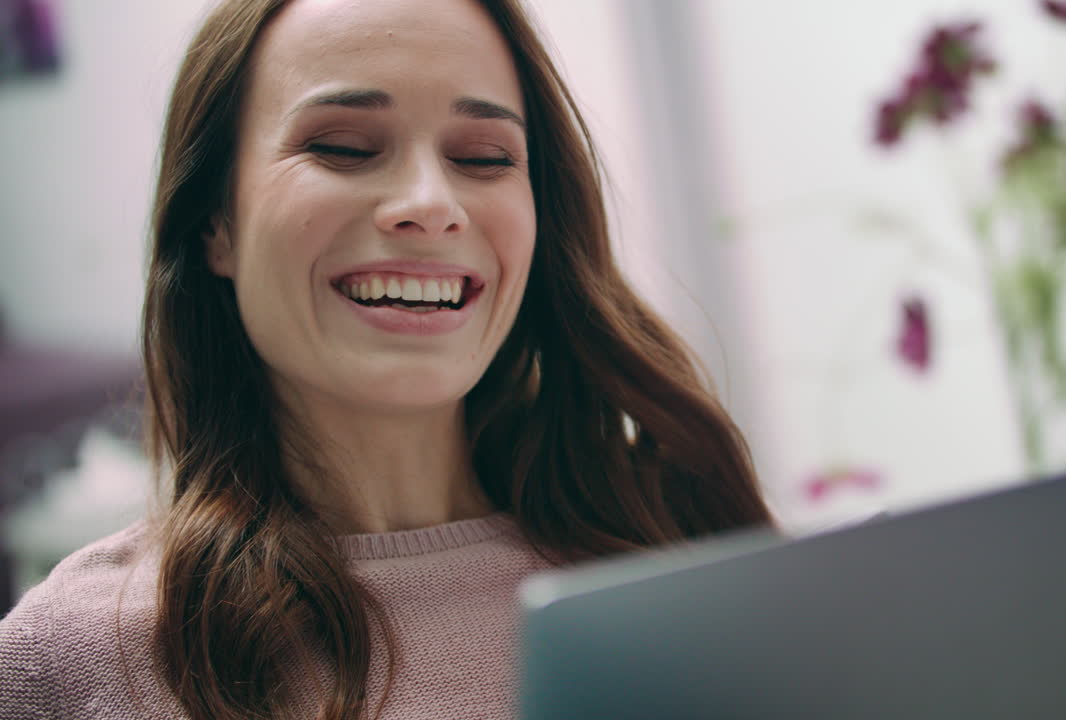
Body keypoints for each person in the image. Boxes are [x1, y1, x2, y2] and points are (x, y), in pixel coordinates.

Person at [0, 0, 775, 718]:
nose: (431, 203)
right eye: (343, 148)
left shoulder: (677, 544)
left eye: (484, 157)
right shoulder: (70, 661)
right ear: (217, 225)